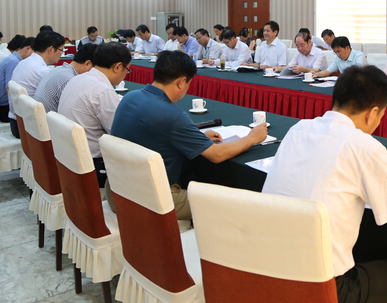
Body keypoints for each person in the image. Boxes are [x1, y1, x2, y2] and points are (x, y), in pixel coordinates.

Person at [263, 66, 387, 303]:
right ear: (372, 113)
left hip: (267, 271)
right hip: (322, 288)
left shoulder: (297, 129)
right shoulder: (366, 147)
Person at [109, 51, 268, 219]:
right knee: (233, 205)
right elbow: (217, 155)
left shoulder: (129, 97)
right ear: (181, 82)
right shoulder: (173, 115)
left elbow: (152, 135)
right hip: (152, 201)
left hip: (117, 191)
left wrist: (198, 138)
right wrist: (252, 138)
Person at [58, 43, 131, 187]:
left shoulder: (77, 78)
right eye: (127, 70)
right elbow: (118, 134)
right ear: (117, 67)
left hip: (67, 157)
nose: (125, 74)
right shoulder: (103, 90)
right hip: (92, 165)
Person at [8, 31, 64, 137]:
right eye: (61, 50)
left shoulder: (23, 62)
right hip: (28, 128)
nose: (61, 54)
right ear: (51, 49)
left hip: (16, 121)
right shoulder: (42, 71)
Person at [34, 43, 97, 113]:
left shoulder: (60, 69)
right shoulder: (70, 80)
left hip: (40, 116)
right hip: (48, 118)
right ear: (87, 64)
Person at [0, 36, 32, 123]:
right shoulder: (14, 62)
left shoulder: (12, 58)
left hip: (0, 105)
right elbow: (9, 90)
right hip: (5, 109)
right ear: (28, 49)